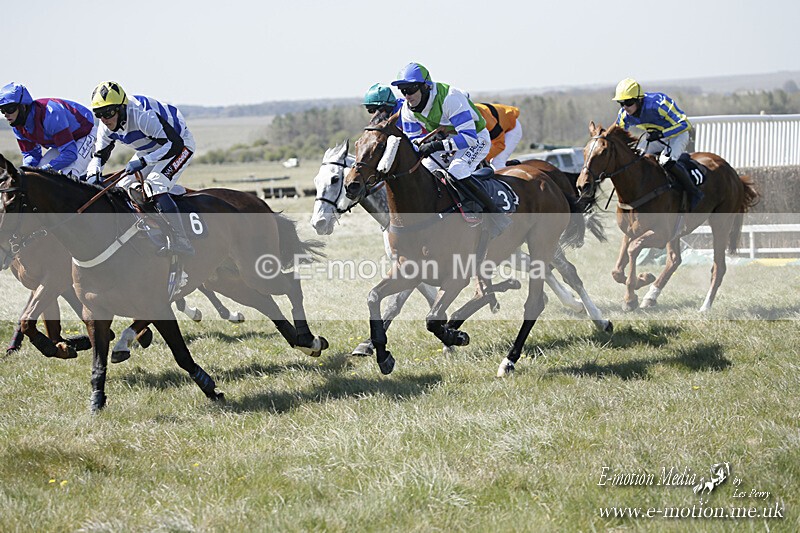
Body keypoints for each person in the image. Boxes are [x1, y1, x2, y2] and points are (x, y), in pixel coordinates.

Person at [87, 81, 195, 256]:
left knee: (154, 185)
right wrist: (93, 174)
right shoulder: (104, 126)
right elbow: (98, 156)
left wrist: (145, 161)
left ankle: (182, 240)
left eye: (108, 112)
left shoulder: (142, 115)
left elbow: (174, 145)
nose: (104, 119)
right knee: (121, 187)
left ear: (121, 108)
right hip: (150, 148)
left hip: (179, 145)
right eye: (98, 114)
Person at [391, 62, 501, 218]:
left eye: (411, 89)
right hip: (448, 141)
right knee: (423, 170)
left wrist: (435, 145)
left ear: (425, 86)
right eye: (403, 91)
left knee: (457, 170)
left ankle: (494, 213)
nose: (407, 96)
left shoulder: (450, 98)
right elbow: (414, 141)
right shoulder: (407, 110)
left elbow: (469, 138)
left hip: (476, 138)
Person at [613, 77, 703, 209]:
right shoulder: (624, 115)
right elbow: (616, 133)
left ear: (639, 99)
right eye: (621, 103)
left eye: (629, 102)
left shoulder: (658, 104)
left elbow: (685, 124)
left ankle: (694, 192)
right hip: (656, 138)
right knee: (637, 160)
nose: (625, 107)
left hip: (677, 135)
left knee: (666, 161)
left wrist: (662, 134)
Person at [0, 82, 96, 179]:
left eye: (10, 108)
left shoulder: (50, 115)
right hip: (64, 144)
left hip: (85, 134)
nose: (6, 114)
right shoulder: (17, 127)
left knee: (68, 175)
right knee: (35, 178)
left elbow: (70, 154)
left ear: (23, 107)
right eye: (2, 110)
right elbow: (32, 155)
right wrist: (23, 171)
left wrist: (47, 169)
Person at [474, 103, 522, 170]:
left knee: (497, 162)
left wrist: (485, 158)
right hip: (494, 130)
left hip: (510, 128)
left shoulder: (485, 119)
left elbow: (499, 144)